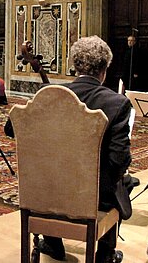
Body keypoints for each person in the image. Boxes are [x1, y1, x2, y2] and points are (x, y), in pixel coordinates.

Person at [39, 36, 131, 263]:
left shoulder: (49, 94)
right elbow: (119, 160)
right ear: (104, 70)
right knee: (124, 181)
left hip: (46, 191)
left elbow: (13, 129)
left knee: (56, 173)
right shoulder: (116, 102)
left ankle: (52, 243)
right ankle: (105, 254)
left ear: (74, 65)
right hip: (92, 197)